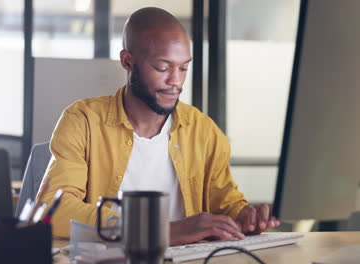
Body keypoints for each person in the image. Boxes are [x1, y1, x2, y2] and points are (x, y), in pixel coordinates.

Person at [37, 7, 280, 246]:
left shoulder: (203, 131)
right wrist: (158, 231)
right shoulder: (83, 120)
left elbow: (226, 204)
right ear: (127, 61)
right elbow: (54, 209)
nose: (175, 81)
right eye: (163, 67)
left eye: (183, 68)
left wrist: (245, 216)